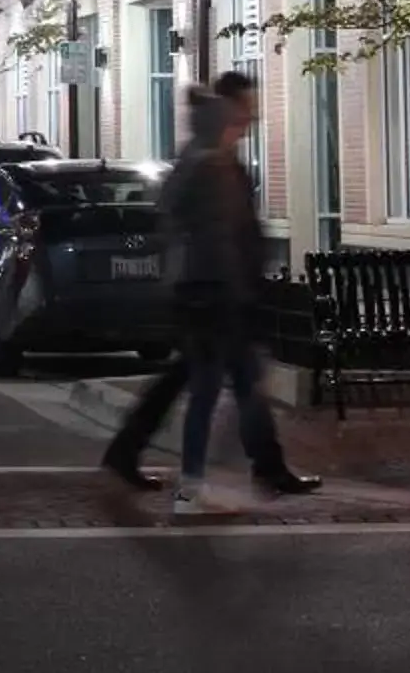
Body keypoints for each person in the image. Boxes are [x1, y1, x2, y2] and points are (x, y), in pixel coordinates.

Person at [99, 71, 321, 513]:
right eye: (246, 109)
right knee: (207, 389)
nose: (251, 118)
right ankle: (192, 487)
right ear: (227, 113)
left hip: (212, 293)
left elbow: (194, 225)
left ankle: (259, 468)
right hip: (214, 296)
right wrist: (239, 286)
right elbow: (217, 235)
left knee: (235, 384)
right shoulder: (211, 164)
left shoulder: (206, 161)